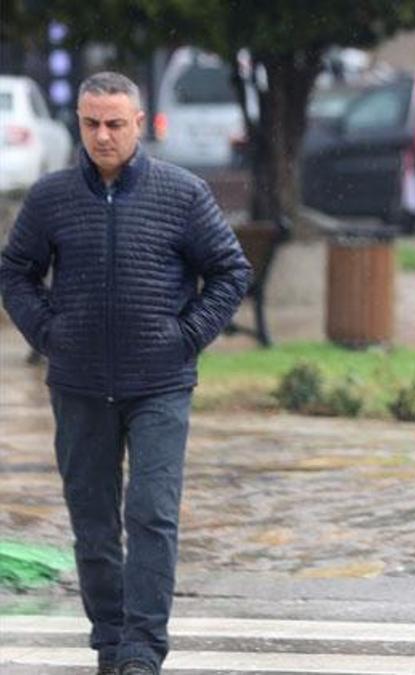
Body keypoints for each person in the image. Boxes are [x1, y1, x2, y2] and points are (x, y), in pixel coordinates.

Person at [0, 72, 250, 675]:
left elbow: (230, 271)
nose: (103, 135)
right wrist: (49, 334)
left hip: (159, 384)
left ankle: (142, 647)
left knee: (152, 513)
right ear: (79, 124)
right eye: (92, 124)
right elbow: (15, 272)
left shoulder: (182, 193)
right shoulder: (51, 197)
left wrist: (185, 337)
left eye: (115, 123)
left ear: (138, 123)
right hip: (79, 384)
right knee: (92, 519)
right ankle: (109, 637)